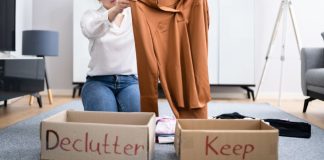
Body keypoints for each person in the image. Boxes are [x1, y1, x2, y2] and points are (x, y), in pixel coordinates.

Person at [80, 0, 140, 112]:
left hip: (130, 81)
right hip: (98, 81)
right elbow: (90, 30)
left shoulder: (135, 15)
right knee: (104, 121)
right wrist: (116, 9)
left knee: (140, 116)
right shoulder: (91, 16)